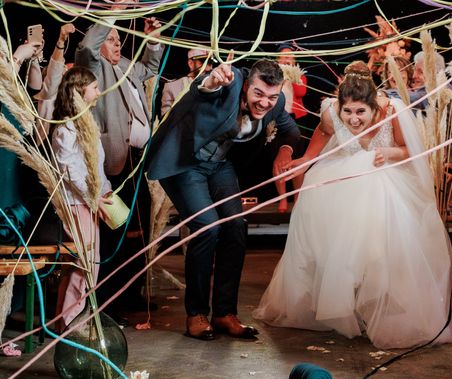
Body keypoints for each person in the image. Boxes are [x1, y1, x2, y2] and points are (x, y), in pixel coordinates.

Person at [253, 61, 452, 349]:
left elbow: (410, 151)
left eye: (361, 111)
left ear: (374, 106)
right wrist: (303, 161)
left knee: (375, 243)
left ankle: (379, 303)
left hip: (385, 180)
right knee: (330, 234)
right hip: (341, 179)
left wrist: (386, 152)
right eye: (347, 112)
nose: (353, 119)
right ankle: (345, 305)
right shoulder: (330, 111)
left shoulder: (392, 111)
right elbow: (323, 135)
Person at [146, 57, 300, 341]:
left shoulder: (275, 102)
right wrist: (211, 80)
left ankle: (224, 314)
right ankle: (196, 314)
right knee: (208, 228)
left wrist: (285, 150)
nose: (265, 102)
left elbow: (289, 128)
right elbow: (202, 89)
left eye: (271, 96)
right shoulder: (228, 83)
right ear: (246, 86)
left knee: (235, 227)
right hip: (186, 162)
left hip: (219, 165)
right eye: (258, 94)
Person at [74, 0, 164, 326]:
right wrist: (111, 15)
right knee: (114, 230)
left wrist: (152, 38)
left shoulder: (128, 65)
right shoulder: (95, 67)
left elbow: (152, 68)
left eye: (118, 38)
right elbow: (86, 46)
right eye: (111, 39)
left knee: (138, 231)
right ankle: (107, 300)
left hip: (138, 161)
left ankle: (131, 292)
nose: (117, 44)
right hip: (113, 163)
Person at [50, 67, 113, 327]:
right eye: (95, 87)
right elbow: (71, 173)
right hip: (77, 204)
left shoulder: (86, 124)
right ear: (79, 90)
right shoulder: (65, 130)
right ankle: (72, 323)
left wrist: (105, 190)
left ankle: (63, 320)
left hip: (89, 202)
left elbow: (96, 167)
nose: (99, 92)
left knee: (82, 263)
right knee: (85, 265)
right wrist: (92, 198)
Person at [274, 43, 309, 212]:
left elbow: (301, 93)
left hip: (297, 119)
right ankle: (282, 199)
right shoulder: (273, 75)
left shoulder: (299, 75)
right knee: (279, 160)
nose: (287, 58)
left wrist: (292, 75)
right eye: (284, 55)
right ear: (278, 58)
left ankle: (297, 198)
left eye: (290, 56)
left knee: (297, 160)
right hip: (278, 119)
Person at [160, 48, 212, 117]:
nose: (208, 68)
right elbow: (165, 120)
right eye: (203, 62)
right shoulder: (172, 87)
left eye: (210, 63)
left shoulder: (216, 87)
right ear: (190, 63)